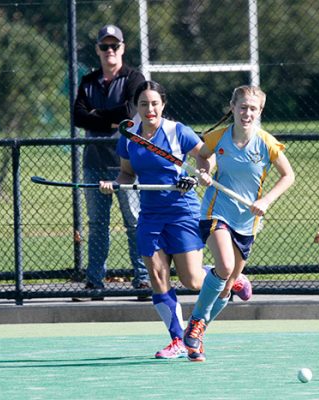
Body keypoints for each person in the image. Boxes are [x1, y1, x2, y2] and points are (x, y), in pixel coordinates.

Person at [99, 80, 251, 359]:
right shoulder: (129, 135)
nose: (149, 109)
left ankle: (230, 277)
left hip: (183, 212)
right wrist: (114, 184)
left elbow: (206, 159)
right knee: (158, 277)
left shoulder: (177, 131)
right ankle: (178, 340)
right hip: (151, 216)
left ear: (163, 105)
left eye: (154, 103)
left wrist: (194, 177)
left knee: (192, 280)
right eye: (143, 104)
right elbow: (127, 174)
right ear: (136, 107)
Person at [183, 85, 296, 362]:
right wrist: (204, 172)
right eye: (242, 107)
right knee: (225, 267)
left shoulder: (267, 143)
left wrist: (266, 201)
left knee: (227, 283)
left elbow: (288, 176)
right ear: (232, 107)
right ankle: (196, 320)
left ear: (260, 112)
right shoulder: (219, 137)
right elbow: (201, 156)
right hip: (216, 210)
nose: (247, 113)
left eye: (253, 109)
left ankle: (198, 335)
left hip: (248, 220)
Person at [73, 24, 149, 299]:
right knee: (97, 225)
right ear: (97, 50)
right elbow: (78, 117)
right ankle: (95, 282)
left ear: (122, 48)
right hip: (94, 161)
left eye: (114, 46)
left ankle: (142, 279)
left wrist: (97, 114)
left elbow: (130, 112)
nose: (109, 51)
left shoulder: (133, 78)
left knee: (135, 222)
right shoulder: (89, 81)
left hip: (127, 163)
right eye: (104, 46)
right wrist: (110, 118)